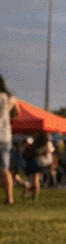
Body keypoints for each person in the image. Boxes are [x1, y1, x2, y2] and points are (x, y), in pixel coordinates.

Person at [0, 74, 15, 205]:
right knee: (5, 168)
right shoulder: (8, 98)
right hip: (6, 137)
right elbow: (15, 112)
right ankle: (10, 197)